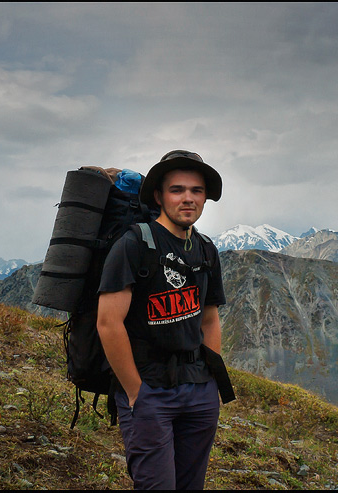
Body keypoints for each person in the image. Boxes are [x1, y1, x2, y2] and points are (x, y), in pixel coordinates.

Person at [96, 150, 227, 490]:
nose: (188, 198)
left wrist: (210, 385)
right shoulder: (134, 245)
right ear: (159, 195)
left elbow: (210, 319)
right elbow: (108, 323)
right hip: (149, 389)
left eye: (196, 191)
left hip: (198, 390)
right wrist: (135, 391)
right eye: (177, 189)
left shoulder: (206, 249)